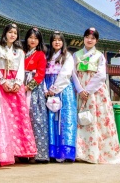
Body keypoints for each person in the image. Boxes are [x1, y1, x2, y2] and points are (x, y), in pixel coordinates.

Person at [72, 27, 120, 164]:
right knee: (80, 119)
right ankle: (81, 153)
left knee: (97, 119)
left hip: (95, 91)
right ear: (83, 38)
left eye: (92, 38)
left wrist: (87, 90)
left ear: (96, 41)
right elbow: (73, 74)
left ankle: (97, 152)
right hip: (80, 89)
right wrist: (80, 89)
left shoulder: (99, 56)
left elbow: (100, 75)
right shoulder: (76, 55)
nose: (89, 40)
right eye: (87, 37)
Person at [0, 23, 37, 165]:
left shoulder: (19, 51)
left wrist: (18, 83)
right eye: (10, 32)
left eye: (15, 33)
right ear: (5, 33)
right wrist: (3, 82)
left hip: (16, 87)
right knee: (3, 118)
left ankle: (22, 151)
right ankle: (5, 152)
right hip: (2, 86)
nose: (12, 35)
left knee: (20, 118)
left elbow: (21, 69)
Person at [45, 31, 77, 162]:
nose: (57, 42)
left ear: (63, 42)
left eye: (59, 40)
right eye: (54, 40)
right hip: (48, 86)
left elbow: (65, 74)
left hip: (63, 89)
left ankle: (66, 152)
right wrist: (46, 89)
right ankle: (53, 152)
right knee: (51, 120)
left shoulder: (67, 56)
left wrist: (54, 89)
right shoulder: (47, 56)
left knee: (65, 119)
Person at [23, 26, 49, 162]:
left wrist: (29, 86)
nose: (33, 40)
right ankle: (23, 152)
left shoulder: (40, 55)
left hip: (34, 90)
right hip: (21, 87)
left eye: (36, 38)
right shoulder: (22, 53)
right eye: (30, 37)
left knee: (36, 119)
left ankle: (38, 153)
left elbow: (40, 74)